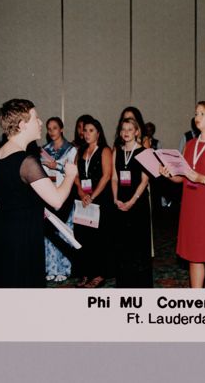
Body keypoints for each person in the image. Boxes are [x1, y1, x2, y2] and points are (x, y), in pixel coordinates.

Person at [0, 99, 77, 288]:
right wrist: (70, 175)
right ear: (22, 124)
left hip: (2, 234)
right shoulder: (26, 161)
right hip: (23, 237)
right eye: (36, 118)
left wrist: (28, 204)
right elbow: (57, 200)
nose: (41, 123)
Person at [160, 101, 205, 288]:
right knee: (195, 255)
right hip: (192, 205)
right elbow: (183, 177)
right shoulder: (190, 144)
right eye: (196, 113)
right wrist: (169, 174)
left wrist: (202, 178)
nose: (197, 117)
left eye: (201, 114)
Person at [111, 117, 153, 287]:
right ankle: (124, 285)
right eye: (123, 129)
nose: (126, 132)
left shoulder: (145, 152)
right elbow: (114, 177)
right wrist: (115, 198)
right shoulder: (117, 151)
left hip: (138, 203)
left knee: (138, 246)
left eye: (130, 129)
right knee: (123, 246)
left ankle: (140, 286)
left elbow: (145, 180)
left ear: (137, 132)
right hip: (120, 202)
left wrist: (132, 201)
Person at [73, 116, 113, 288]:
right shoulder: (80, 151)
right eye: (85, 130)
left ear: (98, 133)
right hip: (83, 199)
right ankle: (85, 272)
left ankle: (99, 274)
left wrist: (93, 196)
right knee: (82, 236)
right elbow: (75, 175)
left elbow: (107, 176)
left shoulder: (105, 150)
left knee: (99, 239)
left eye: (91, 131)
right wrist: (82, 193)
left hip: (100, 199)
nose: (86, 133)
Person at [40, 117, 77, 283]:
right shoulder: (44, 150)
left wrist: (58, 167)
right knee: (49, 233)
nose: (52, 131)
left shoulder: (71, 150)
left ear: (61, 129)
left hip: (65, 194)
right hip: (49, 194)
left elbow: (74, 172)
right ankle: (51, 267)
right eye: (49, 129)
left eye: (55, 128)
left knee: (63, 232)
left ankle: (64, 267)